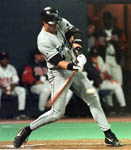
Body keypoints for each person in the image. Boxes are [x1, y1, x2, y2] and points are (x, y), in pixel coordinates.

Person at [13, 7, 122, 148]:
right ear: (44, 22)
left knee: (93, 99)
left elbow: (75, 33)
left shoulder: (61, 22)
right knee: (57, 113)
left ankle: (108, 134)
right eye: (52, 23)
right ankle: (27, 129)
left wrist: (78, 51)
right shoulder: (43, 40)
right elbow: (58, 61)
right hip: (58, 73)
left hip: (72, 66)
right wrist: (72, 66)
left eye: (56, 22)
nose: (55, 25)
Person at [85, 47, 128, 114]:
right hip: (92, 84)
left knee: (116, 85)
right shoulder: (87, 61)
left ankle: (123, 107)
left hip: (101, 83)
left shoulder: (99, 59)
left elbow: (104, 71)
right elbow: (92, 73)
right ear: (90, 55)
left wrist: (110, 79)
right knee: (95, 95)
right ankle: (100, 111)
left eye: (96, 55)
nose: (94, 57)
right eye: (93, 56)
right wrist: (99, 74)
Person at [96, 11, 127, 86]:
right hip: (104, 59)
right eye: (105, 19)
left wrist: (116, 43)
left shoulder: (118, 31)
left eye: (109, 19)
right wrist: (102, 44)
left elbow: (125, 45)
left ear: (112, 20)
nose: (107, 21)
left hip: (115, 59)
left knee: (119, 83)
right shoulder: (99, 32)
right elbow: (94, 47)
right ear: (103, 21)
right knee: (106, 83)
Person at [0, 52, 27, 119]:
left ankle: (21, 112)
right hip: (1, 88)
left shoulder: (11, 68)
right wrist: (5, 88)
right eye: (3, 59)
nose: (5, 61)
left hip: (11, 88)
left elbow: (16, 81)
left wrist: (9, 88)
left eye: (6, 59)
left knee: (22, 90)